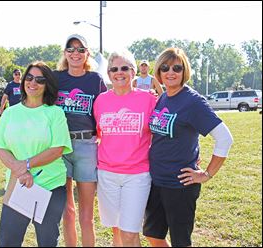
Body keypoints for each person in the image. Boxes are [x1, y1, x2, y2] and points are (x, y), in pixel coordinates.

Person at [142, 47, 233, 247]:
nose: (170, 72)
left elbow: (225, 138)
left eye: (177, 67)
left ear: (185, 71)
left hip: (180, 185)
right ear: (158, 72)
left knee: (180, 241)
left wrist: (206, 174)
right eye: (165, 68)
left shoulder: (193, 101)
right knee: (152, 234)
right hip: (156, 180)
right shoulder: (164, 97)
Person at [0, 61, 73, 247]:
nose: (33, 83)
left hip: (50, 186)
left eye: (40, 79)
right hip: (18, 184)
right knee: (7, 240)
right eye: (29, 77)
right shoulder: (10, 113)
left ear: (47, 85)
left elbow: (57, 149)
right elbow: (0, 147)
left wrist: (26, 165)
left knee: (47, 242)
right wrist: (21, 170)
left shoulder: (55, 113)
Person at [93, 50, 156, 247]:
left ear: (134, 72)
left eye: (124, 68)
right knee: (117, 230)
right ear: (109, 73)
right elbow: (99, 134)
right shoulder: (101, 100)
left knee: (129, 232)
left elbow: (163, 131)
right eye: (114, 69)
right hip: (107, 174)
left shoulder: (149, 100)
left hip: (137, 175)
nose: (119, 72)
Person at [53, 34, 107, 247]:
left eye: (80, 49)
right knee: (67, 211)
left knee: (86, 213)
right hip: (60, 147)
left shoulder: (95, 80)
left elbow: (108, 106)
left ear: (87, 53)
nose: (75, 53)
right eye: (71, 48)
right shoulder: (56, 78)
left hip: (86, 146)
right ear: (65, 53)